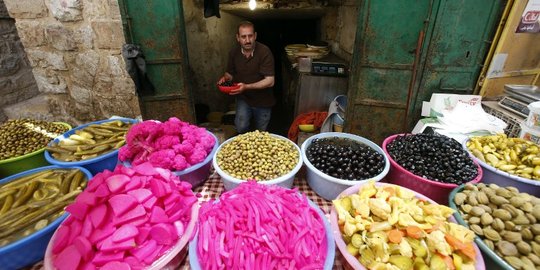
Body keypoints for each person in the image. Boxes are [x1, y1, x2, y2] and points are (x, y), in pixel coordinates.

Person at [218, 21, 275, 134]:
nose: (247, 40)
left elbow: (270, 81)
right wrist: (224, 79)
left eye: (250, 36)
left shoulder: (264, 52)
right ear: (238, 38)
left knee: (261, 132)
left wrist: (246, 86)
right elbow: (230, 74)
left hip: (263, 100)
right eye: (243, 37)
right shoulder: (233, 52)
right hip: (244, 99)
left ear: (255, 36)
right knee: (241, 127)